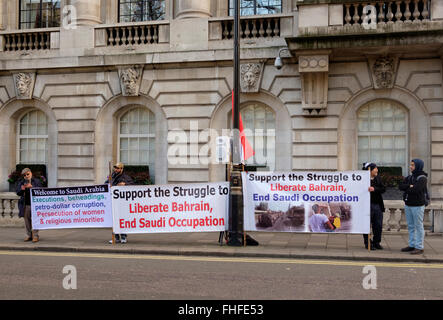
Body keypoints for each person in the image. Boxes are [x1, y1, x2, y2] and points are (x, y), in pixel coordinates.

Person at [399, 159, 428, 255]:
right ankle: (412, 245)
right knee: (411, 226)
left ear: (418, 166)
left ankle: (419, 247)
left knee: (418, 226)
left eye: (413, 165)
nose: (410, 167)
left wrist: (408, 188)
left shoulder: (422, 178)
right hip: (408, 204)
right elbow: (400, 186)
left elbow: (416, 190)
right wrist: (409, 186)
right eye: (410, 165)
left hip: (418, 205)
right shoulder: (410, 177)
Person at [105, 162, 133, 244]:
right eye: (115, 168)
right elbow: (105, 184)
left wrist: (125, 184)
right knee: (114, 220)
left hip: (122, 202)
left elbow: (133, 185)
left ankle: (123, 236)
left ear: (121, 169)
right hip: (113, 202)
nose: (116, 169)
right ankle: (116, 237)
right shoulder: (111, 176)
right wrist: (108, 184)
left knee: (122, 219)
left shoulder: (126, 177)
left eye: (118, 168)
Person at [362, 162, 385, 250]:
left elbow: (383, 189)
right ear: (370, 170)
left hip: (377, 205)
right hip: (367, 206)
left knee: (378, 225)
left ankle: (376, 242)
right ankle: (367, 243)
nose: (377, 170)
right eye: (375, 168)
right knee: (367, 225)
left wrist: (374, 189)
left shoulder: (378, 178)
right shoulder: (363, 179)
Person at [16, 168, 42, 243]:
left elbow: (41, 190)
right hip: (25, 204)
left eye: (28, 174)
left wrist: (32, 187)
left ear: (31, 173)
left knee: (35, 220)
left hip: (35, 204)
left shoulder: (36, 181)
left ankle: (35, 236)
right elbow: (18, 192)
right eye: (25, 175)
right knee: (27, 221)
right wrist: (22, 189)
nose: (26, 176)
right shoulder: (21, 182)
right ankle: (29, 235)